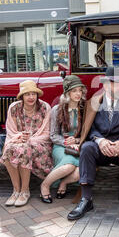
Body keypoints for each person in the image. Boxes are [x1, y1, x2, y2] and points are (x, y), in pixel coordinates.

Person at [67, 67, 119, 220]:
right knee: (87, 148)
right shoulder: (93, 103)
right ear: (106, 85)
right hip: (100, 145)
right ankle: (86, 199)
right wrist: (100, 141)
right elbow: (89, 129)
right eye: (116, 84)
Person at [0, 80, 54, 207]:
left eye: (33, 94)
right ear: (22, 96)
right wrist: (20, 137)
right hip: (18, 141)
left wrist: (29, 140)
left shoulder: (45, 107)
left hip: (40, 144)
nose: (31, 97)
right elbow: (11, 131)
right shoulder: (14, 108)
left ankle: (25, 191)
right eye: (27, 94)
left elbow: (47, 134)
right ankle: (16, 190)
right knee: (8, 149)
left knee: (24, 149)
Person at [39, 75, 86, 204]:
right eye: (74, 90)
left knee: (80, 172)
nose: (78, 94)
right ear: (67, 93)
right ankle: (45, 185)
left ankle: (64, 183)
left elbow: (87, 132)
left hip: (78, 146)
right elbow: (53, 135)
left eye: (80, 90)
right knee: (68, 166)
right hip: (61, 146)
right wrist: (66, 143)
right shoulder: (57, 109)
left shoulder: (84, 108)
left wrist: (76, 142)